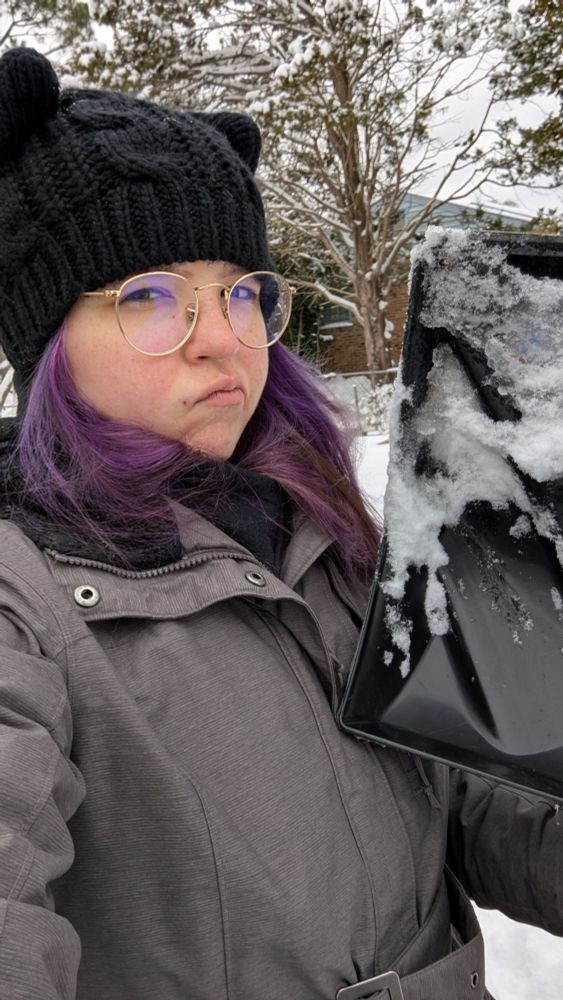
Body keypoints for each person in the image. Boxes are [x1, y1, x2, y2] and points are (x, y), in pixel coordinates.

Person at [0, 46, 560, 1000]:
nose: (224, 336)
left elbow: (478, 804)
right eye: (151, 297)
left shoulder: (327, 535)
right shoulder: (23, 597)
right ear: (49, 340)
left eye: (242, 290)